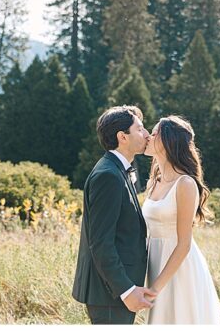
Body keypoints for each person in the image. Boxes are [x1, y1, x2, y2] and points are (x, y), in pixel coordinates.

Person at [72, 106, 158, 324]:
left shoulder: (117, 170)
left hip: (113, 292)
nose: (147, 134)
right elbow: (101, 243)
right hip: (109, 294)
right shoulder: (108, 176)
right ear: (123, 137)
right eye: (140, 129)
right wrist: (127, 291)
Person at [141, 115, 220, 324]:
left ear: (169, 140)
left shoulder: (185, 184)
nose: (148, 137)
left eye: (154, 133)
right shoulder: (154, 181)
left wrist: (155, 288)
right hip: (155, 263)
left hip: (179, 268)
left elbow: (184, 244)